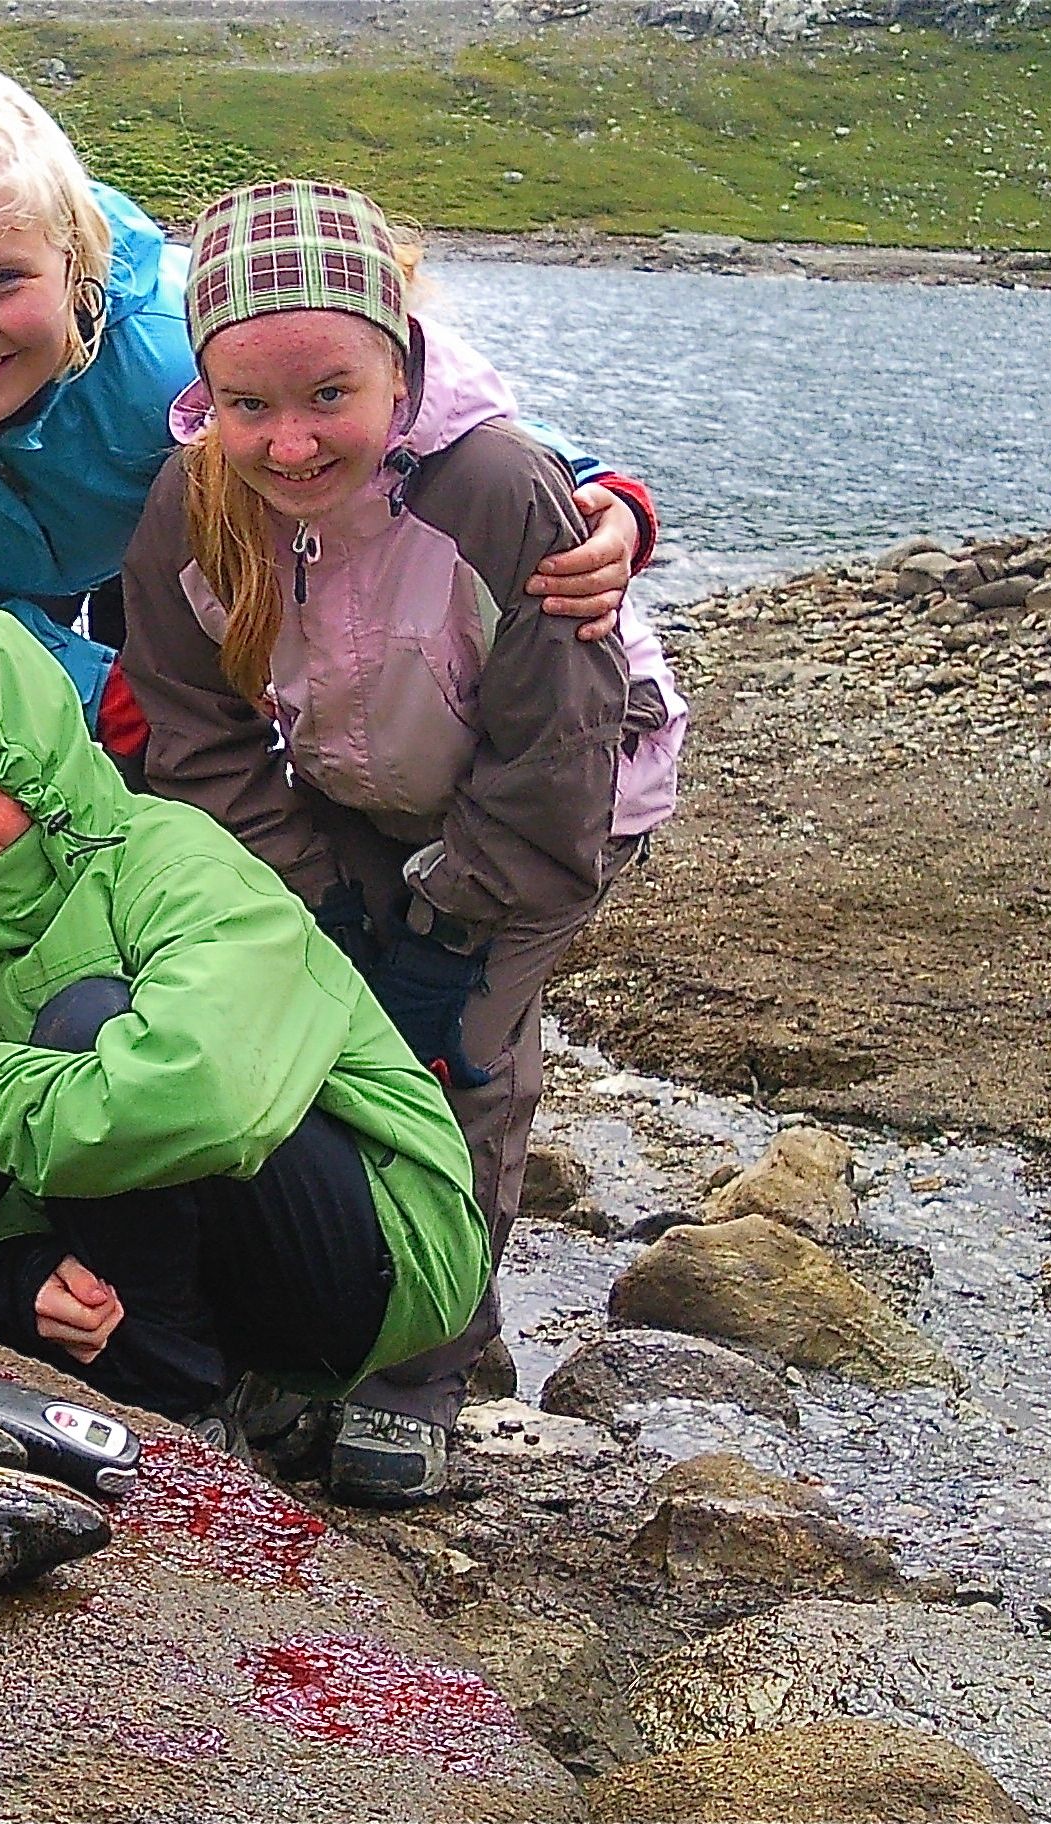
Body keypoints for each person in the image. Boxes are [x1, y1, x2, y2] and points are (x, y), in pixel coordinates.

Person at [0, 59, 657, 1248]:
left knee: (136, 811)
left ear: (72, 266)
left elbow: (386, 384)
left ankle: (147, 1083)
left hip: (153, 538)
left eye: (4, 282)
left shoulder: (175, 342)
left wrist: (589, 487)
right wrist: (82, 699)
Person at [120, 180, 689, 1502]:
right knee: (306, 1043)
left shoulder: (493, 486)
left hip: (555, 807)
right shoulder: (189, 501)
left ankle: (422, 1368)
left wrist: (446, 924)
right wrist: (315, 900)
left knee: (455, 1060)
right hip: (352, 795)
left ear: (400, 364)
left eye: (329, 394)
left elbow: (554, 748)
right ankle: (314, 1324)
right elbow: (197, 734)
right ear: (205, 394)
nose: (288, 441)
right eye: (246, 405)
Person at [0, 594, 491, 1437]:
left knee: (84, 1031)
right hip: (225, 1263)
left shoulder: (173, 861)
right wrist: (12, 1272)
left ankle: (174, 1405)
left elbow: (206, 1093)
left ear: (32, 752)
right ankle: (218, 1375)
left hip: (385, 1251)